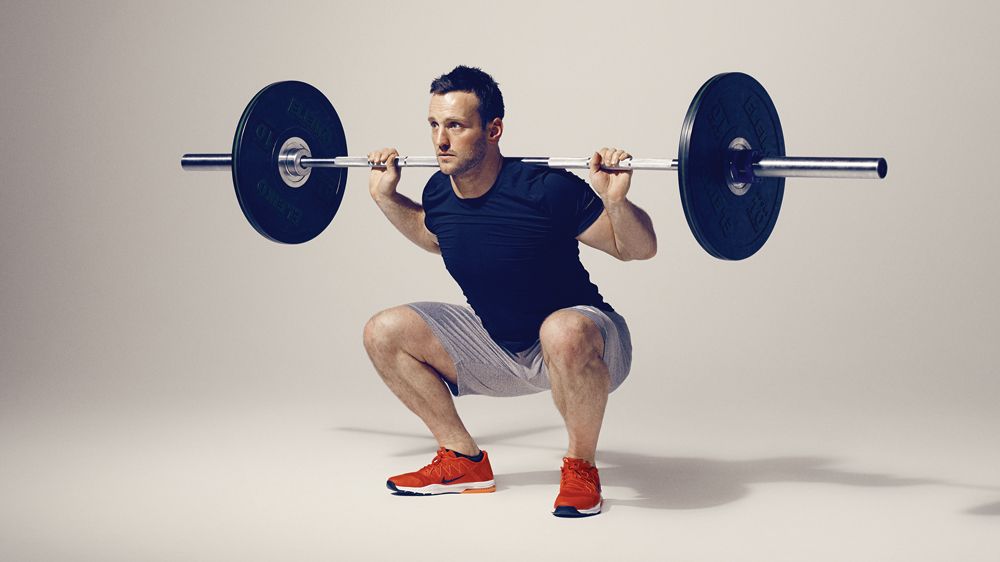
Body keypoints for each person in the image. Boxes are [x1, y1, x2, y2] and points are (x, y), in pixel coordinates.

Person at [362, 66, 656, 518]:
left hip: (585, 342)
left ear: (494, 130)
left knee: (561, 329)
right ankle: (462, 460)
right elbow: (433, 234)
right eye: (434, 125)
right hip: (501, 346)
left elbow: (636, 249)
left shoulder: (547, 188)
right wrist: (386, 198)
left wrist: (616, 202)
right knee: (384, 331)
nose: (440, 140)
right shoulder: (439, 191)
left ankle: (581, 468)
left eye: (456, 126)